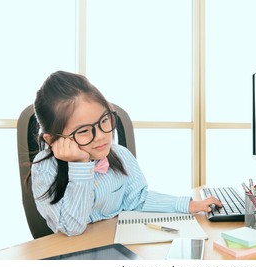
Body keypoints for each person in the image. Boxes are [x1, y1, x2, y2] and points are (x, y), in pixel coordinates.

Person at [31, 70, 221, 236]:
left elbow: (138, 200)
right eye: (83, 131)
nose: (101, 136)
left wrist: (188, 205)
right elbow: (71, 228)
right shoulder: (44, 169)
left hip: (118, 244)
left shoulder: (120, 155)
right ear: (52, 139)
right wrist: (80, 166)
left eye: (104, 120)